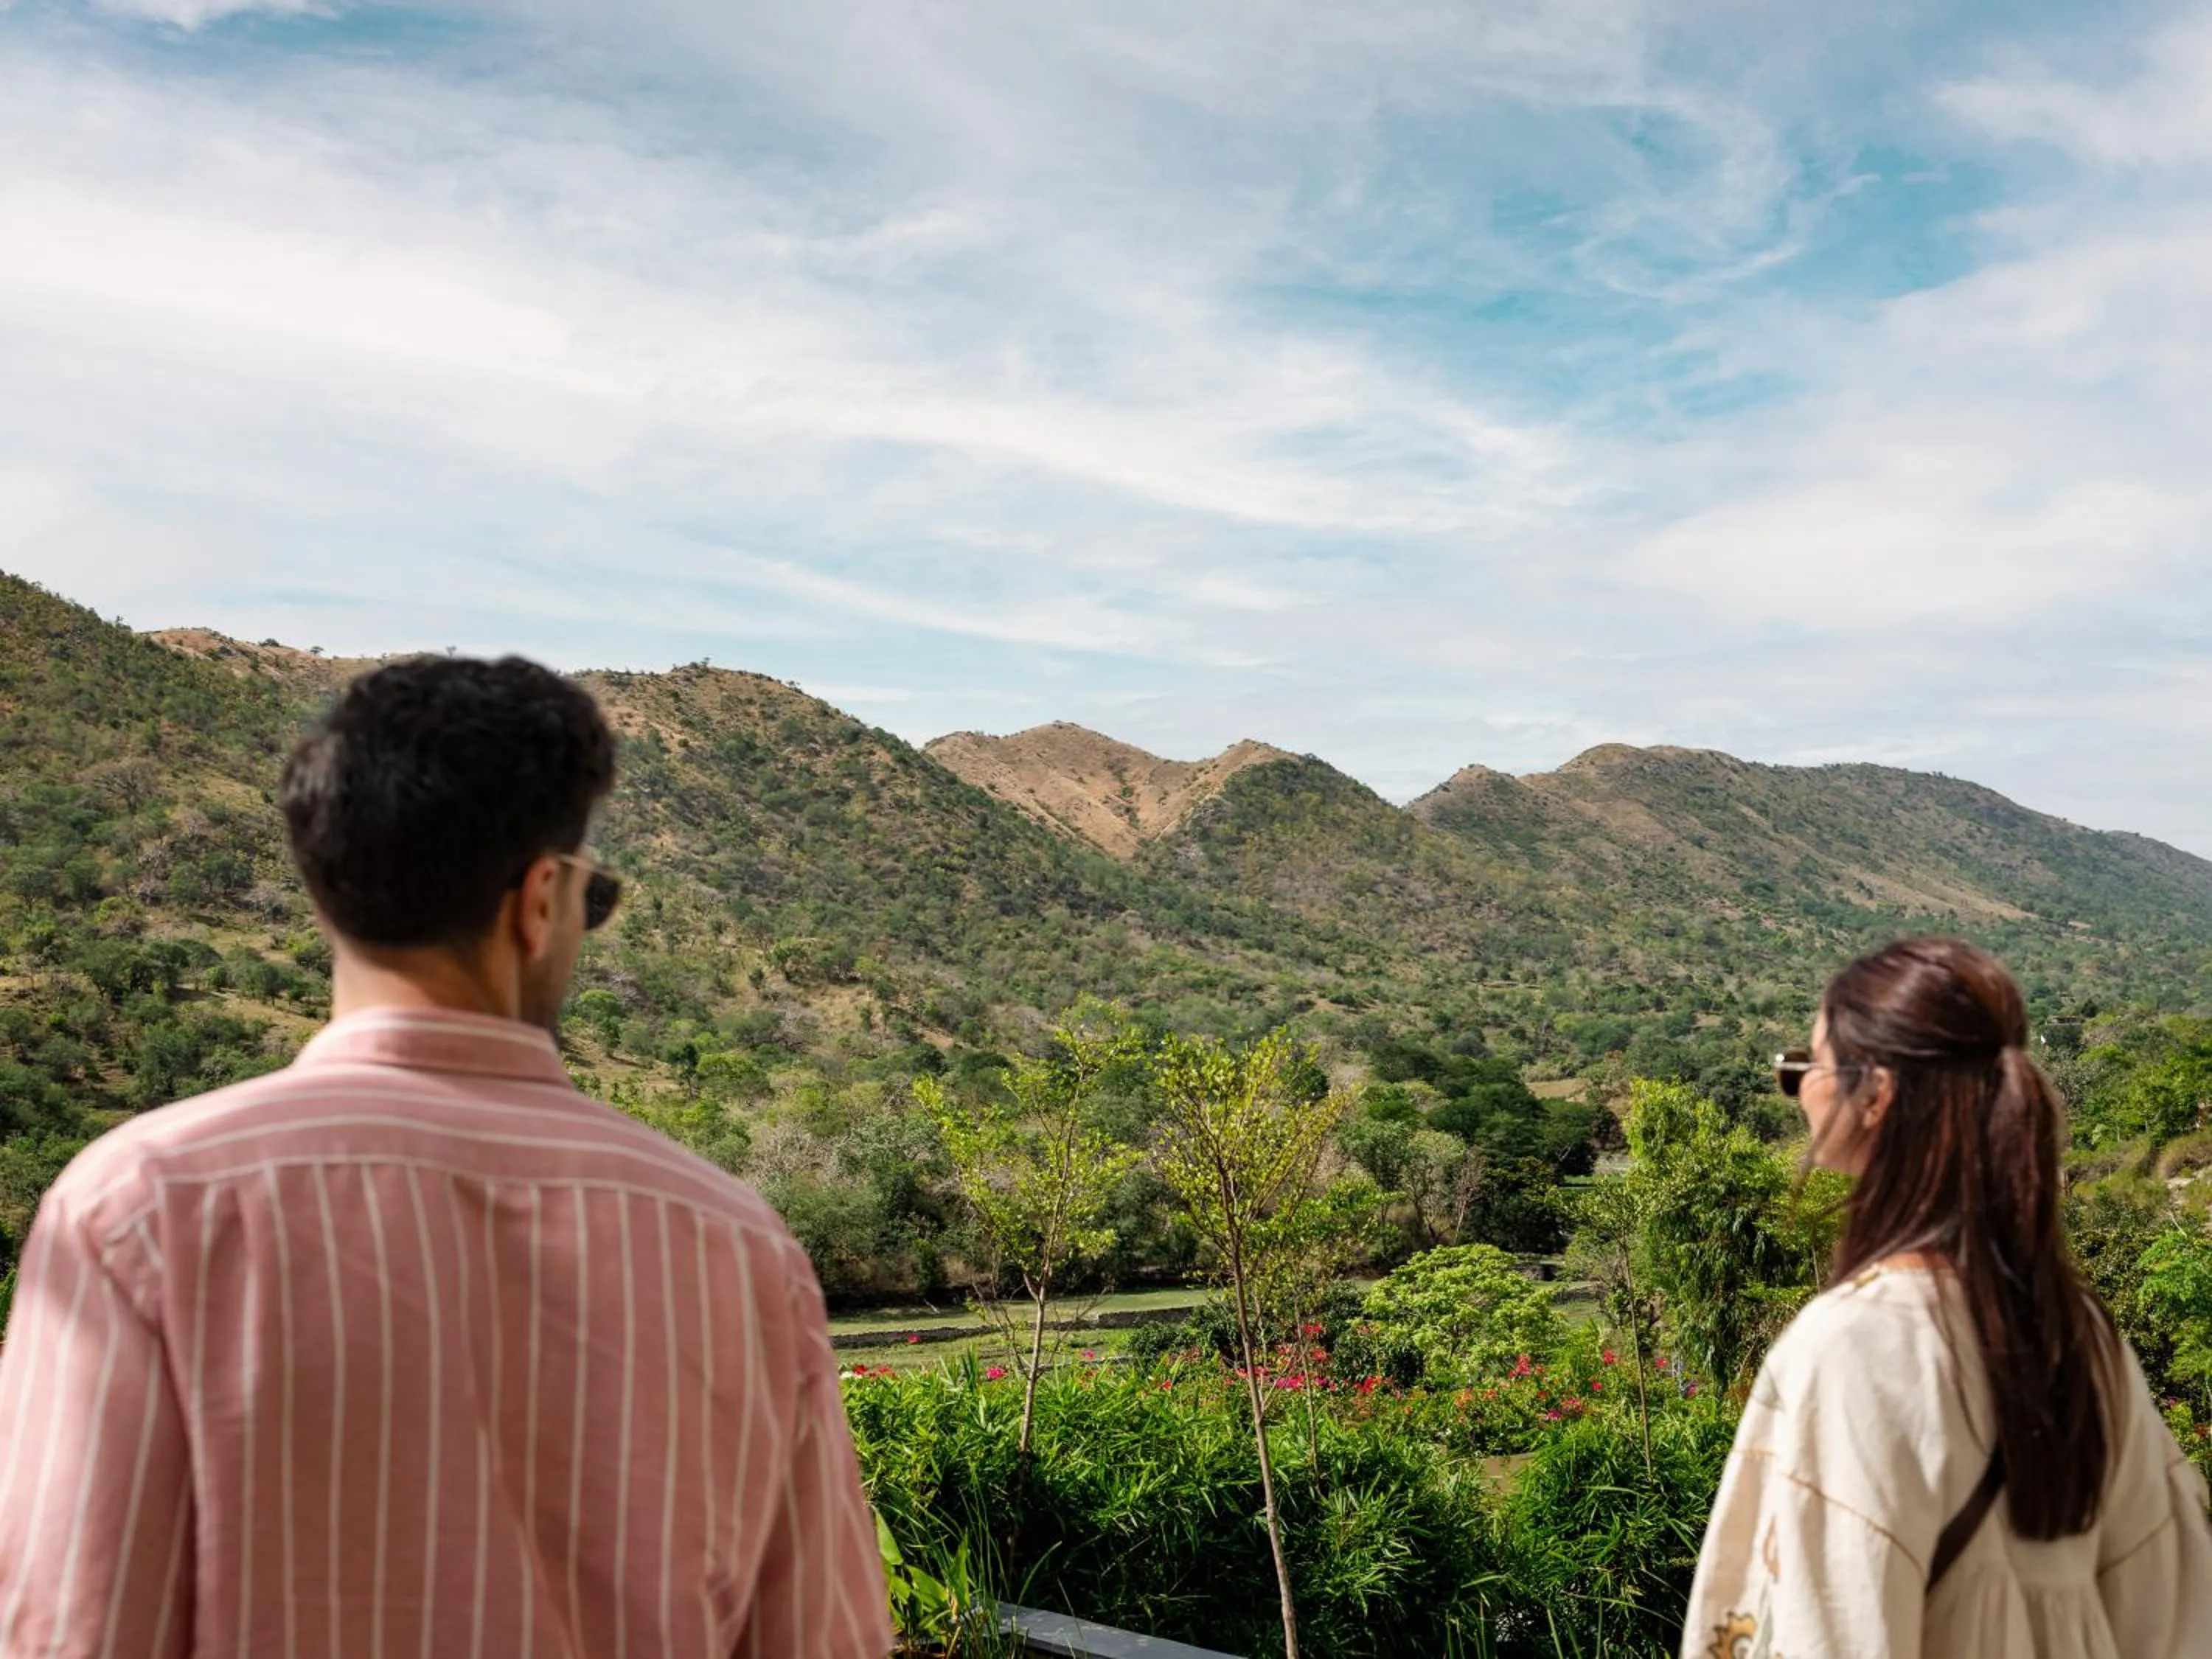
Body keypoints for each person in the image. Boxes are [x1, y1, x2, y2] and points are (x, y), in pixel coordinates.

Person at [0, 655, 892, 1659]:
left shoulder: (141, 1211)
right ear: (539, 900)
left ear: (330, 889)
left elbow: (69, 1630)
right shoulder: (737, 1246)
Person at [1683, 936, 2212, 1659]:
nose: (1796, 1087)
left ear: (1875, 1094)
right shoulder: (2078, 1330)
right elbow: (2177, 1603)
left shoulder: (1850, 1345)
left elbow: (1822, 1625)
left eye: (1804, 1067)